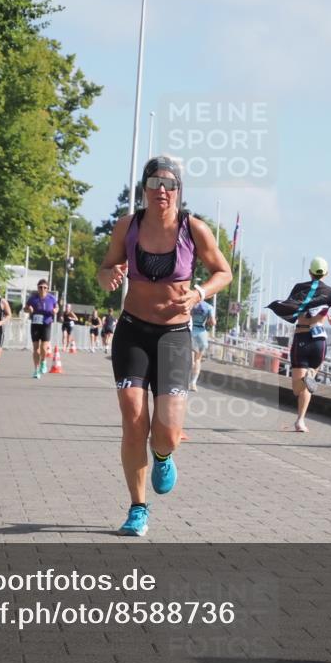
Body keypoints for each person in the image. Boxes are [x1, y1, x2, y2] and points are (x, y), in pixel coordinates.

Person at [96, 154, 232, 536]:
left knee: (168, 431)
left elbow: (224, 272)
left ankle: (163, 454)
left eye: (170, 185)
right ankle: (138, 508)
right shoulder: (128, 227)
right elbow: (105, 267)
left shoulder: (194, 229)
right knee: (132, 416)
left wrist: (199, 293)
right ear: (144, 190)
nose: (162, 192)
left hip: (174, 336)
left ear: (179, 191)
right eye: (155, 184)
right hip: (133, 331)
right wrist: (108, 276)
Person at [284, 257, 331, 433]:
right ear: (326, 273)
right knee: (307, 384)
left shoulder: (299, 288)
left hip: (302, 337)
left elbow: (289, 309)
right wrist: (328, 318)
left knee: (297, 389)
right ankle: (300, 421)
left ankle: (300, 419)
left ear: (310, 272)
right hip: (319, 341)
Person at [24, 279, 58, 379]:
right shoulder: (32, 299)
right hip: (35, 324)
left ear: (47, 289)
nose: (42, 289)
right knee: (36, 348)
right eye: (40, 287)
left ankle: (43, 361)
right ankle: (36, 369)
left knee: (43, 348)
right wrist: (28, 309)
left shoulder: (52, 298)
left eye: (45, 287)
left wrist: (55, 310)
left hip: (46, 324)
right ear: (37, 288)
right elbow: (25, 308)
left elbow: (57, 307)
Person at [189, 286, 216, 391]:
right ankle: (193, 383)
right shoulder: (209, 307)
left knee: (190, 359)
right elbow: (213, 322)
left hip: (190, 331)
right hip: (201, 333)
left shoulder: (192, 304)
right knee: (198, 359)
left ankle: (184, 380)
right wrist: (209, 321)